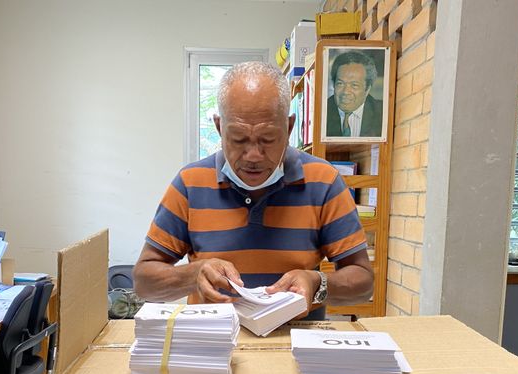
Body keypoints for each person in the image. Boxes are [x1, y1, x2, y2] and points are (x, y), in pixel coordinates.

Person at [133, 61, 373, 318]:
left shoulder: (323, 181)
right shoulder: (190, 183)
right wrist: (193, 275)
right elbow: (144, 282)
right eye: (238, 139)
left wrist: (318, 284)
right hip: (215, 343)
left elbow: (363, 282)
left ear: (289, 128)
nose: (253, 155)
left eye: (268, 139)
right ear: (219, 127)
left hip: (294, 342)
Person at [326, 51, 383, 138]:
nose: (346, 91)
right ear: (334, 85)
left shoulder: (381, 113)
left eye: (354, 85)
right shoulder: (322, 111)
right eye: (340, 83)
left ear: (367, 89)